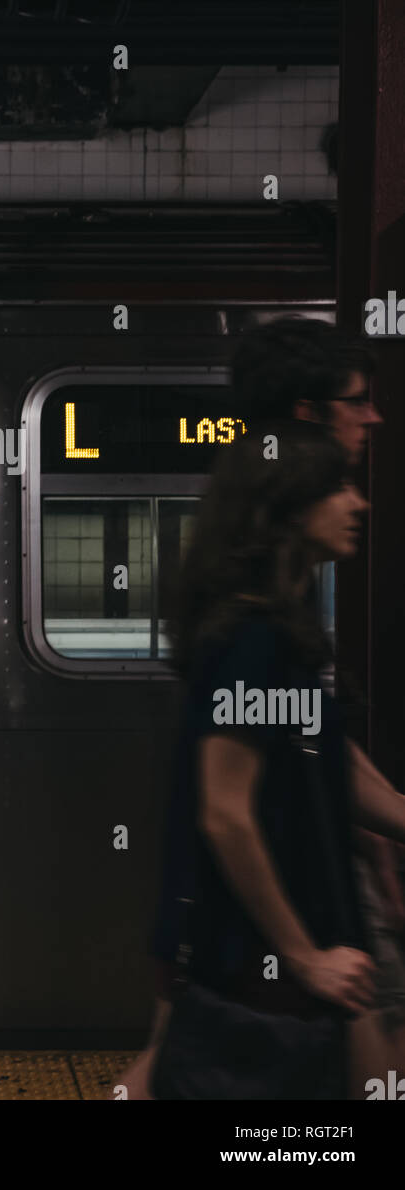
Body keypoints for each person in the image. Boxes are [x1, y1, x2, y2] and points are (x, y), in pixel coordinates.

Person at [116, 318, 405, 1099]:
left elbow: (315, 747)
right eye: (357, 402)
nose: (371, 421)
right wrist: (305, 954)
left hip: (266, 911)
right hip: (261, 922)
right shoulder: (258, 633)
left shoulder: (280, 612)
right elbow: (225, 810)